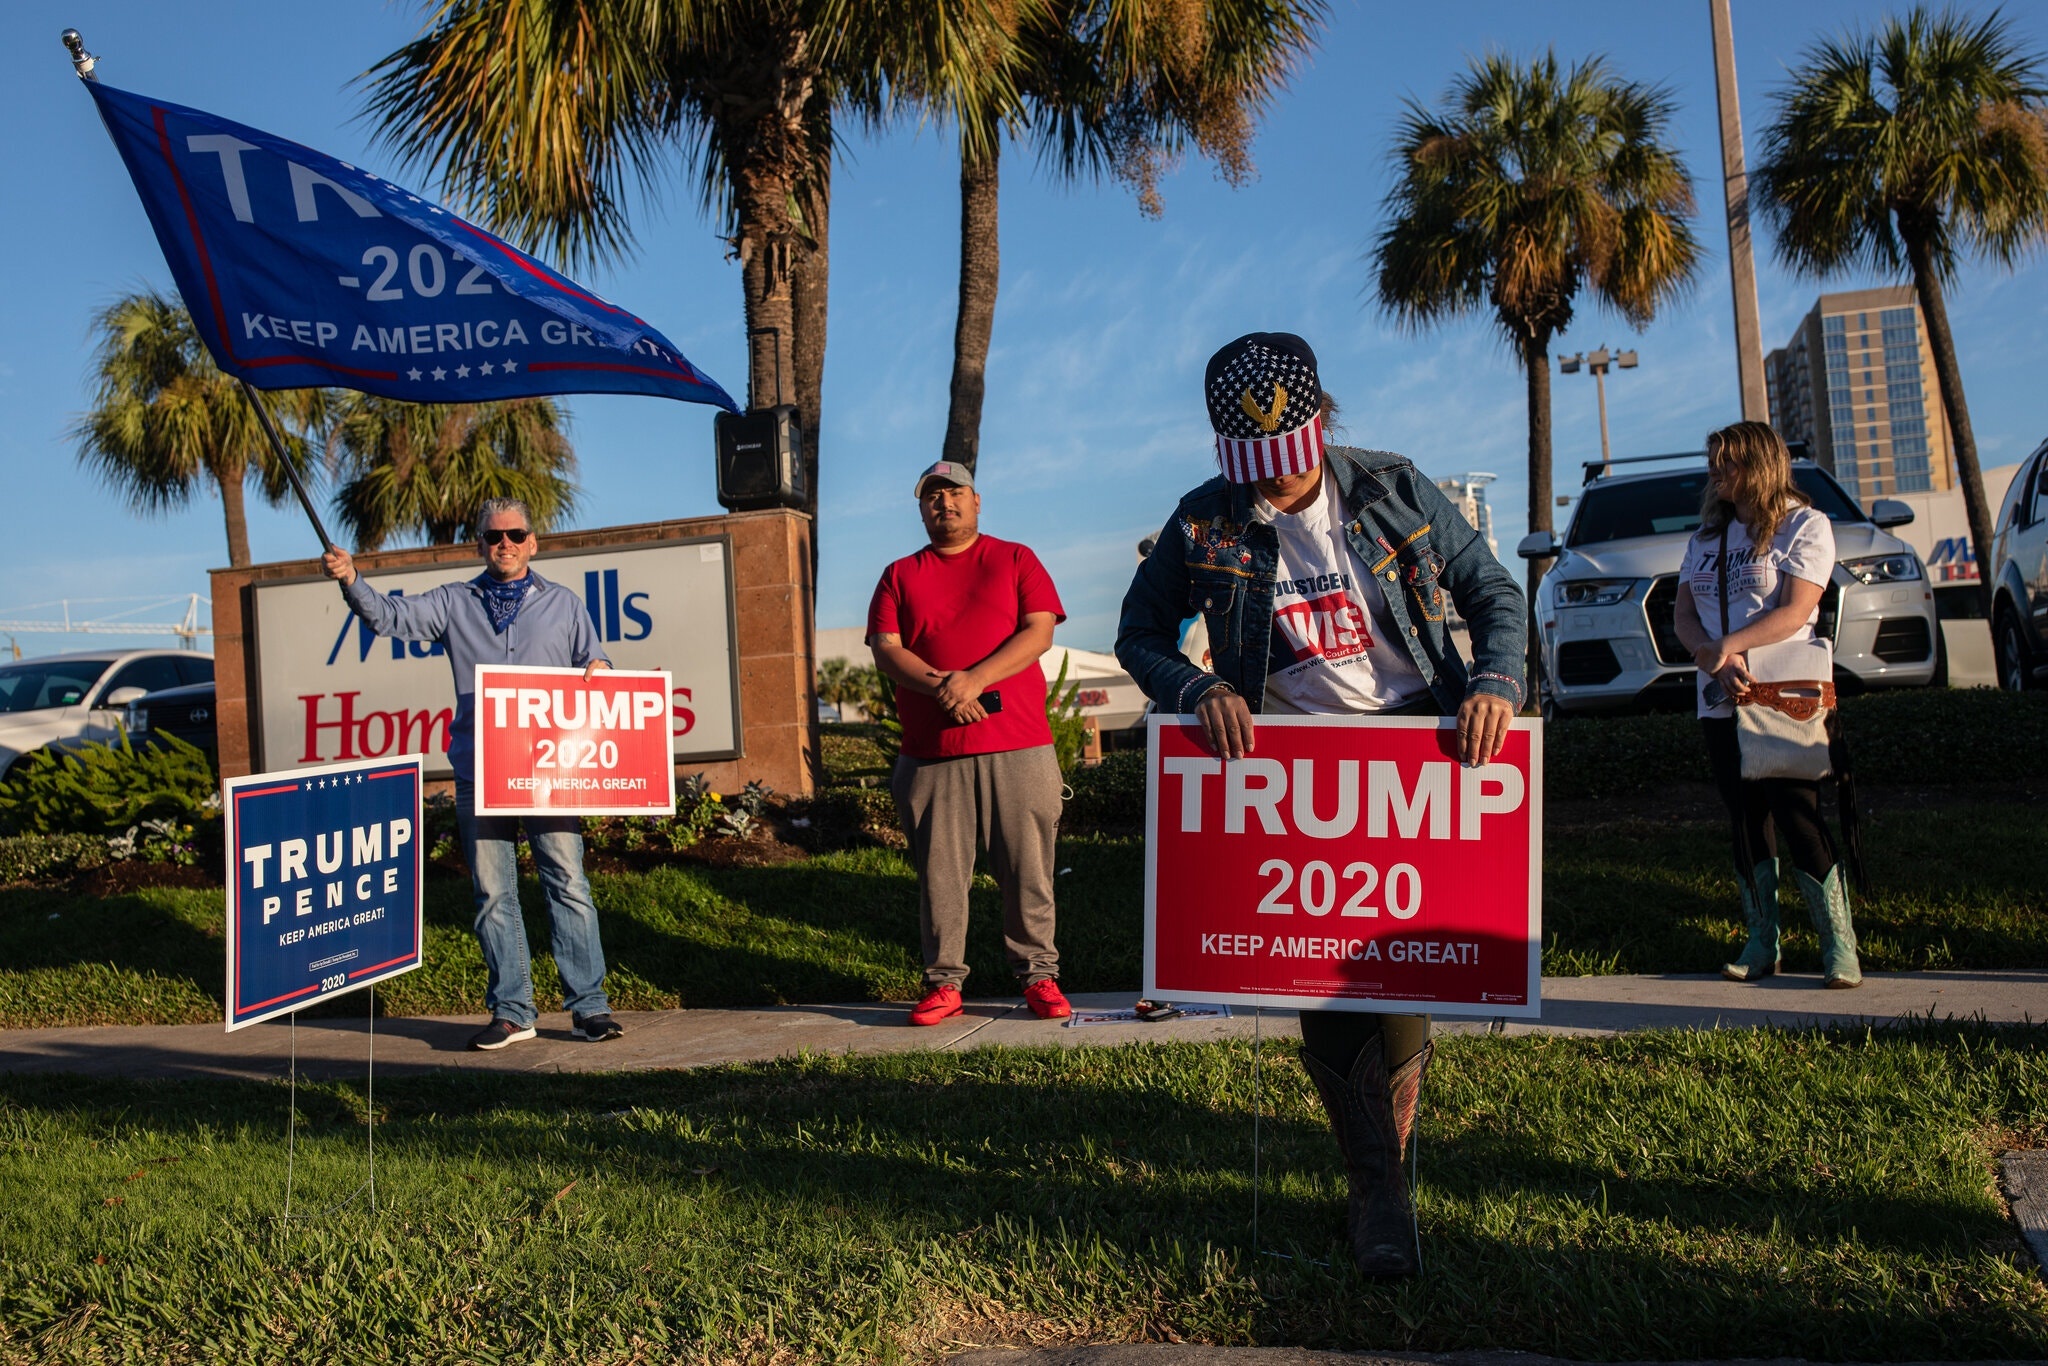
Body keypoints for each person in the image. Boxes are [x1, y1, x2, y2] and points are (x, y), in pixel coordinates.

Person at [1115, 332, 1526, 1278]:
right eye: (1255, 471)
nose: (1274, 486)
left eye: (1290, 463)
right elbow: (1139, 633)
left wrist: (1496, 679)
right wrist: (1194, 687)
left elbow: (1492, 588)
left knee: (1403, 970)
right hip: (1291, 769)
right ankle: (1377, 1190)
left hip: (1411, 752)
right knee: (1316, 969)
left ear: (1322, 424)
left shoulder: (1393, 488)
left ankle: (1389, 1173)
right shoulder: (1203, 519)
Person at [321, 497, 627, 1050]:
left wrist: (600, 668)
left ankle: (590, 1010)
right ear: (478, 545)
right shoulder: (452, 603)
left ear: (533, 542)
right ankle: (512, 1012)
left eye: (514, 534)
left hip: (550, 773)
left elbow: (595, 660)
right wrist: (352, 580)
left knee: (570, 885)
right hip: (479, 770)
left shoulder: (565, 605)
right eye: (493, 537)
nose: (504, 544)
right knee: (491, 892)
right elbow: (389, 617)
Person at [868, 460, 1073, 1026]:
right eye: (933, 497)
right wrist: (945, 688)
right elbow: (886, 649)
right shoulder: (899, 575)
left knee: (1029, 868)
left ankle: (1039, 977)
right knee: (940, 876)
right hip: (933, 753)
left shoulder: (1015, 558)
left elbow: (1039, 629)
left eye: (955, 493)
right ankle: (943, 983)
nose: (945, 504)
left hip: (1019, 744)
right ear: (922, 508)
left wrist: (975, 679)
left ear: (976, 501)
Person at [1673, 421, 1861, 989]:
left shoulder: (1805, 526)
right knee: (1746, 818)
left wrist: (1727, 647)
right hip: (1720, 696)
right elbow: (1683, 613)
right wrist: (1714, 661)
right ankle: (1763, 942)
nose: (1715, 473)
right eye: (1713, 462)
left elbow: (1796, 610)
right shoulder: (1705, 539)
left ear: (1758, 464)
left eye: (1726, 462)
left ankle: (1838, 946)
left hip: (1783, 695)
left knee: (1798, 812)